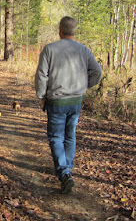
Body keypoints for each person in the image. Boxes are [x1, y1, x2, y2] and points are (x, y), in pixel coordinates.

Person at [35, 16, 102, 194]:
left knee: (56, 137)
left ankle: (64, 173)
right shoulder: (83, 50)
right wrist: (84, 85)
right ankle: (67, 169)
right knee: (70, 135)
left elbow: (42, 75)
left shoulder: (50, 49)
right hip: (76, 101)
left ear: (60, 30)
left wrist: (41, 95)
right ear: (75, 31)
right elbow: (97, 71)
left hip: (56, 100)